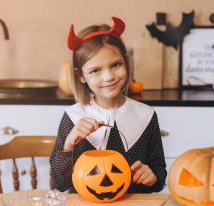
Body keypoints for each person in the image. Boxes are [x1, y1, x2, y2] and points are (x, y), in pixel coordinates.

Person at [50, 17, 166, 193]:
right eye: (95, 70)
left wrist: (153, 177)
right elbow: (60, 183)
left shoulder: (146, 116)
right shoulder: (73, 117)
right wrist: (69, 144)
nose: (108, 77)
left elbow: (159, 175)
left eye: (116, 65)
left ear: (126, 63)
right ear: (80, 75)